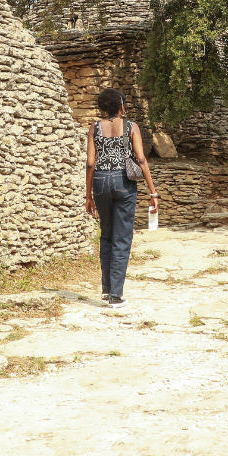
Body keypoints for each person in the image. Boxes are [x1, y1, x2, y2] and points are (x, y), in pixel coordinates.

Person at [85, 88, 158, 307]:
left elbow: (90, 163)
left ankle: (107, 290)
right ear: (121, 106)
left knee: (106, 234)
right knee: (122, 237)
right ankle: (116, 296)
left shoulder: (94, 127)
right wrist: (153, 192)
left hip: (100, 181)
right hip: (123, 181)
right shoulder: (130, 126)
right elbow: (141, 159)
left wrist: (88, 196)